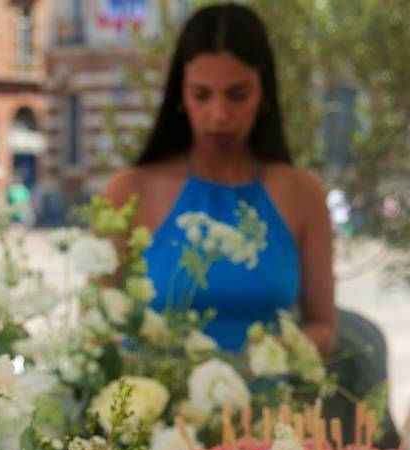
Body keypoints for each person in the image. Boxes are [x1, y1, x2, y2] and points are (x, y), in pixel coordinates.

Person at [101, 3, 335, 356]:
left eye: (237, 95)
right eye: (202, 95)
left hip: (265, 407)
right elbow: (94, 328)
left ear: (263, 93)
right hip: (149, 404)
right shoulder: (130, 192)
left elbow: (324, 328)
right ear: (180, 95)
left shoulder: (301, 193)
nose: (219, 115)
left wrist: (274, 353)